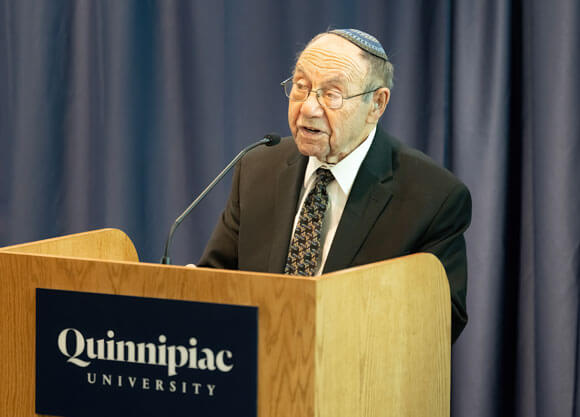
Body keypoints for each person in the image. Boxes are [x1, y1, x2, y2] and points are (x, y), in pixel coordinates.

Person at [198, 29, 472, 343]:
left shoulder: (432, 197)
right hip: (257, 376)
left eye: (331, 94)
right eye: (301, 87)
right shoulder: (258, 168)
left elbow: (439, 323)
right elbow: (216, 279)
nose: (308, 108)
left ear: (377, 105)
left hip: (359, 382)